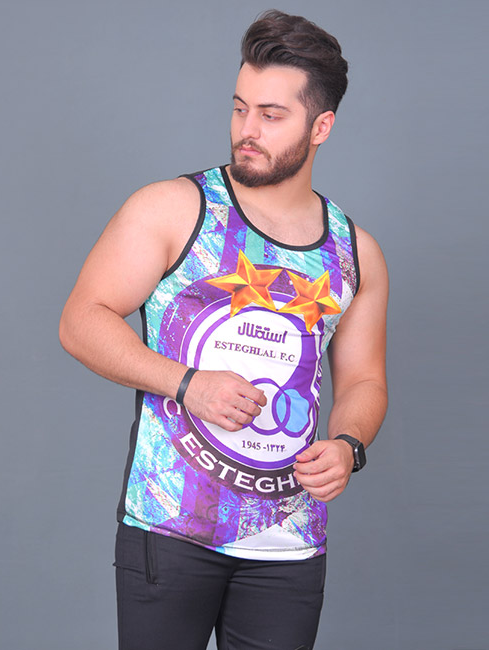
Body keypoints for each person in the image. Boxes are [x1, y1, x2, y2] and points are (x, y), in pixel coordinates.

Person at [59, 9, 388, 650]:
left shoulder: (355, 252)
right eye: (240, 109)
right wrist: (188, 383)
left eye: (271, 115)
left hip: (289, 543)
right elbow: (81, 320)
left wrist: (349, 444)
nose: (247, 131)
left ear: (321, 126)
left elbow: (365, 381)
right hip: (170, 526)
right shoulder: (172, 209)